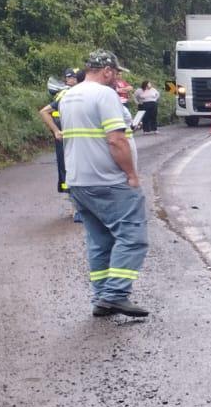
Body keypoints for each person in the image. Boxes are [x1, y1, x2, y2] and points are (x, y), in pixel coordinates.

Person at [61, 50, 149, 318]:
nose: (117, 78)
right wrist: (131, 175)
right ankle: (115, 295)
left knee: (99, 241)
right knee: (133, 238)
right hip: (107, 180)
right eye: (116, 73)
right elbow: (116, 140)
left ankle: (101, 297)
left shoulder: (68, 96)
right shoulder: (104, 95)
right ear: (107, 71)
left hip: (79, 181)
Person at [39, 68, 81, 194]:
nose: (72, 80)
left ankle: (73, 197)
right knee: (66, 163)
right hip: (64, 132)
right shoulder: (65, 93)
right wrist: (56, 130)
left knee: (69, 163)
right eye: (69, 78)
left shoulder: (70, 91)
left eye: (74, 77)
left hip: (68, 130)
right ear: (65, 79)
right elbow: (44, 112)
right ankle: (72, 198)